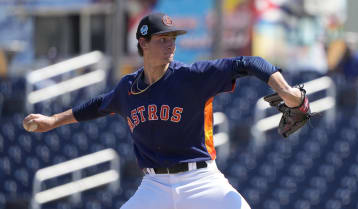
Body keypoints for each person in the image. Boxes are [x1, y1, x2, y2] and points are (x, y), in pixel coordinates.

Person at [23, 13, 304, 209]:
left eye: (173, 38)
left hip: (201, 180)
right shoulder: (127, 88)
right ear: (143, 44)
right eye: (162, 39)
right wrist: (53, 120)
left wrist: (288, 92)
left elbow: (249, 61)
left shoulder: (193, 76)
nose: (170, 44)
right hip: (154, 186)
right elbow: (97, 105)